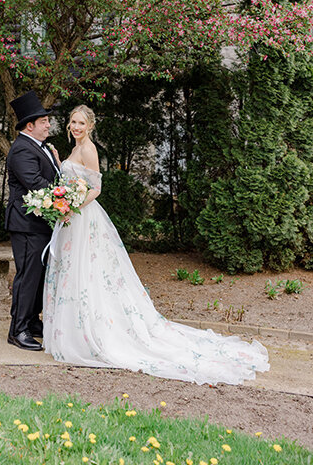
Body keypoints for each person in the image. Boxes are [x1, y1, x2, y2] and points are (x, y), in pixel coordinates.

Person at [43, 105, 270, 385]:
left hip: (82, 217)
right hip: (71, 220)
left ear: (89, 126)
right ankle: (71, 332)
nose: (76, 127)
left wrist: (73, 206)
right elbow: (71, 179)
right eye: (73, 122)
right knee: (73, 274)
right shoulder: (74, 148)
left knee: (87, 275)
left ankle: (92, 333)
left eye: (81, 123)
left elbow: (96, 188)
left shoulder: (89, 149)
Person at [5, 90, 60, 351]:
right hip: (26, 224)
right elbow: (36, 184)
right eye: (44, 121)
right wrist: (64, 197)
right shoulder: (21, 151)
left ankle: (32, 320)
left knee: (39, 276)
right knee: (27, 276)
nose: (48, 124)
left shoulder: (40, 147)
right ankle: (18, 330)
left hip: (41, 223)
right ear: (30, 125)